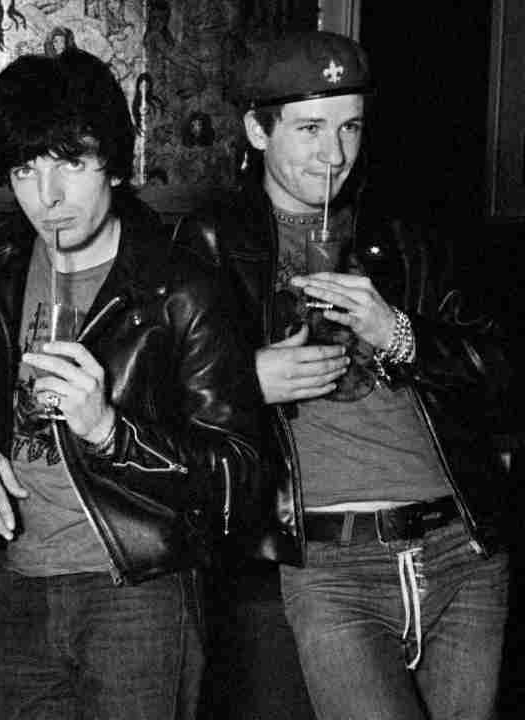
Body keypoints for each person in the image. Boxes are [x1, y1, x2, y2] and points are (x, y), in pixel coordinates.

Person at [173, 31, 513, 719]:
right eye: (310, 129)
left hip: (463, 552)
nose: (335, 155)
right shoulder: (208, 243)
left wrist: (397, 333)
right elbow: (147, 398)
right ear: (256, 130)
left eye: (351, 126)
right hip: (332, 567)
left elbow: (500, 369)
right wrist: (247, 381)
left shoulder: (407, 233)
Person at [0, 48, 262, 719]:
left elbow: (238, 475)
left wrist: (111, 432)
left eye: (71, 162)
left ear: (114, 164)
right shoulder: (3, 262)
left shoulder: (180, 286)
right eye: (26, 169)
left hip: (138, 586)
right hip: (25, 583)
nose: (48, 195)